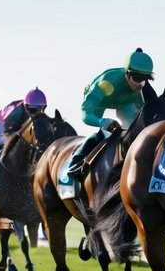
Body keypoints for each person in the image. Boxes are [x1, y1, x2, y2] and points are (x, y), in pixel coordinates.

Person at [65, 50, 155, 181]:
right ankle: (74, 165)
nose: (141, 84)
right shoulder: (107, 83)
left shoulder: (141, 88)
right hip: (99, 103)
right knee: (103, 133)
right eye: (137, 78)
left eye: (145, 79)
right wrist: (101, 122)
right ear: (127, 74)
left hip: (125, 104)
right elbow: (85, 114)